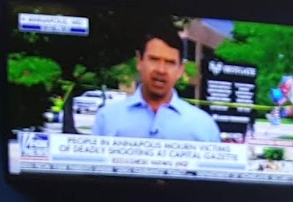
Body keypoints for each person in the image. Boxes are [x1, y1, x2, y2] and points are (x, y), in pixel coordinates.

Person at [90, 31, 221, 142]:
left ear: (180, 70)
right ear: (140, 61)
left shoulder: (203, 125)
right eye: (154, 59)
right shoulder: (107, 118)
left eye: (170, 62)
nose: (161, 70)